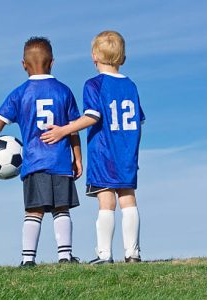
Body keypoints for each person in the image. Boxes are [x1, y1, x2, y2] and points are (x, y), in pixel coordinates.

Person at [41, 31, 145, 264]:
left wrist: (63, 130)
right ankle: (133, 254)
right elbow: (139, 119)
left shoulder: (94, 84)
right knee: (128, 198)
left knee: (106, 200)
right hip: (127, 152)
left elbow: (92, 116)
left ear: (94, 57)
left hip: (104, 152)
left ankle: (104, 255)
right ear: (123, 58)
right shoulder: (131, 85)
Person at [0, 37, 82, 266]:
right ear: (52, 62)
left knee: (34, 211)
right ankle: (64, 256)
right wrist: (78, 158)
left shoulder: (19, 93)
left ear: (23, 64)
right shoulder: (64, 91)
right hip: (61, 161)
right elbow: (74, 129)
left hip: (34, 162)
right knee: (61, 209)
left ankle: (27, 260)